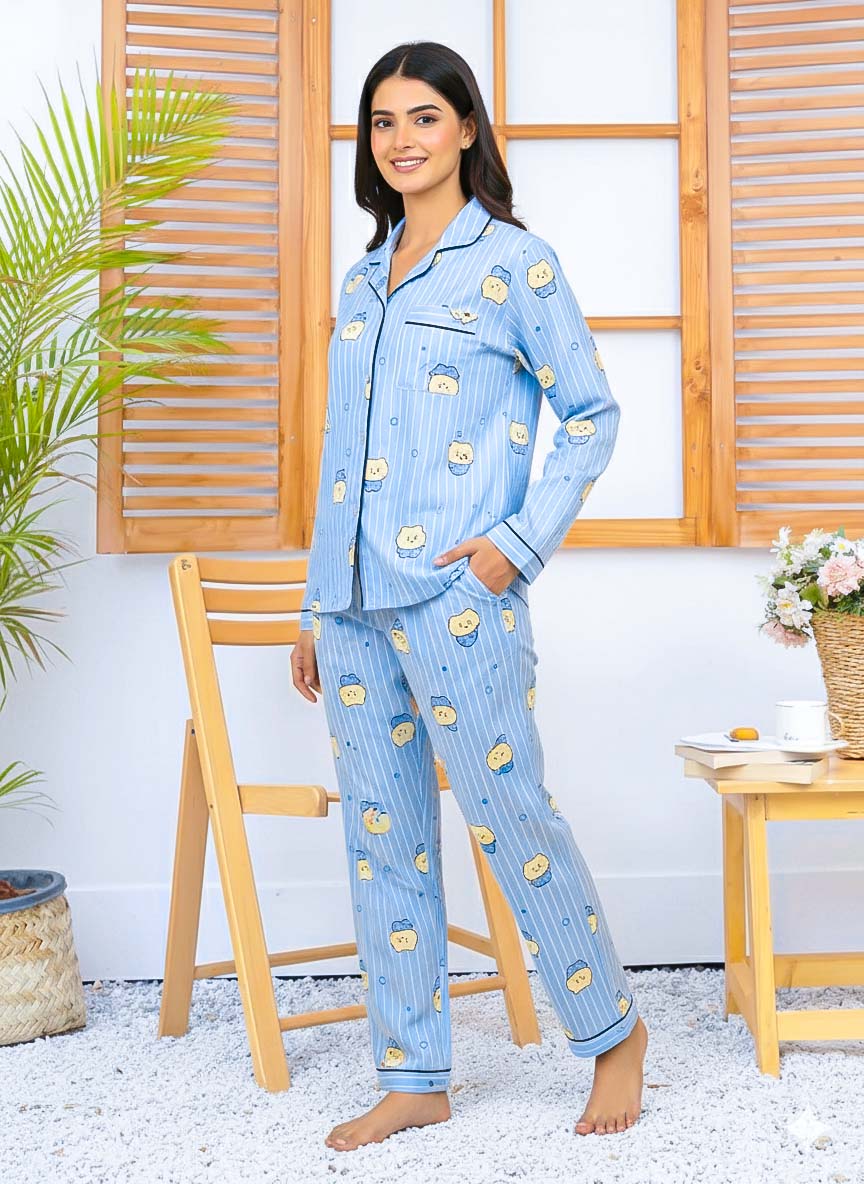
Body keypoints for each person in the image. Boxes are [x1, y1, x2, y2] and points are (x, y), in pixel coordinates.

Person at [291, 40, 648, 1152]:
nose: (401, 140)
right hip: (353, 606)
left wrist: (514, 545)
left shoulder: (515, 264)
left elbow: (591, 413)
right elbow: (341, 454)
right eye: (383, 122)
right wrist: (315, 604)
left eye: (424, 118)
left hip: (458, 598)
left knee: (512, 817)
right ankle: (414, 1074)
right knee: (384, 839)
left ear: (465, 130)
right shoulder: (364, 280)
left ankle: (613, 1031)